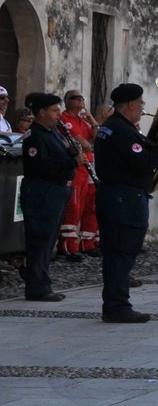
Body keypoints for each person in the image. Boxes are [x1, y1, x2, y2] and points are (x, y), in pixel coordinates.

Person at [94, 83, 158, 323]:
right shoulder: (122, 130)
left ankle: (114, 303)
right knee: (122, 252)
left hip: (114, 195)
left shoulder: (110, 127)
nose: (142, 107)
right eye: (140, 103)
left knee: (115, 253)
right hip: (125, 198)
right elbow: (145, 161)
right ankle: (117, 305)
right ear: (130, 105)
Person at [19, 93, 77, 301]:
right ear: (41, 113)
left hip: (55, 191)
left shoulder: (52, 132)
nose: (58, 115)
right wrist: (72, 162)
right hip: (41, 192)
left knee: (48, 240)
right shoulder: (35, 136)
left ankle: (42, 282)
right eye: (54, 111)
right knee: (40, 240)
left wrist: (71, 154)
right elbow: (41, 166)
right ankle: (37, 287)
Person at [58, 90, 100, 261]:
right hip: (76, 170)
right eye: (76, 98)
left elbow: (95, 142)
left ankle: (87, 243)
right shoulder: (64, 120)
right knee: (73, 208)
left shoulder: (83, 121)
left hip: (88, 168)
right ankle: (68, 246)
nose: (81, 100)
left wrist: (93, 122)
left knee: (90, 207)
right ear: (67, 101)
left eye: (82, 97)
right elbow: (81, 144)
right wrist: (89, 145)